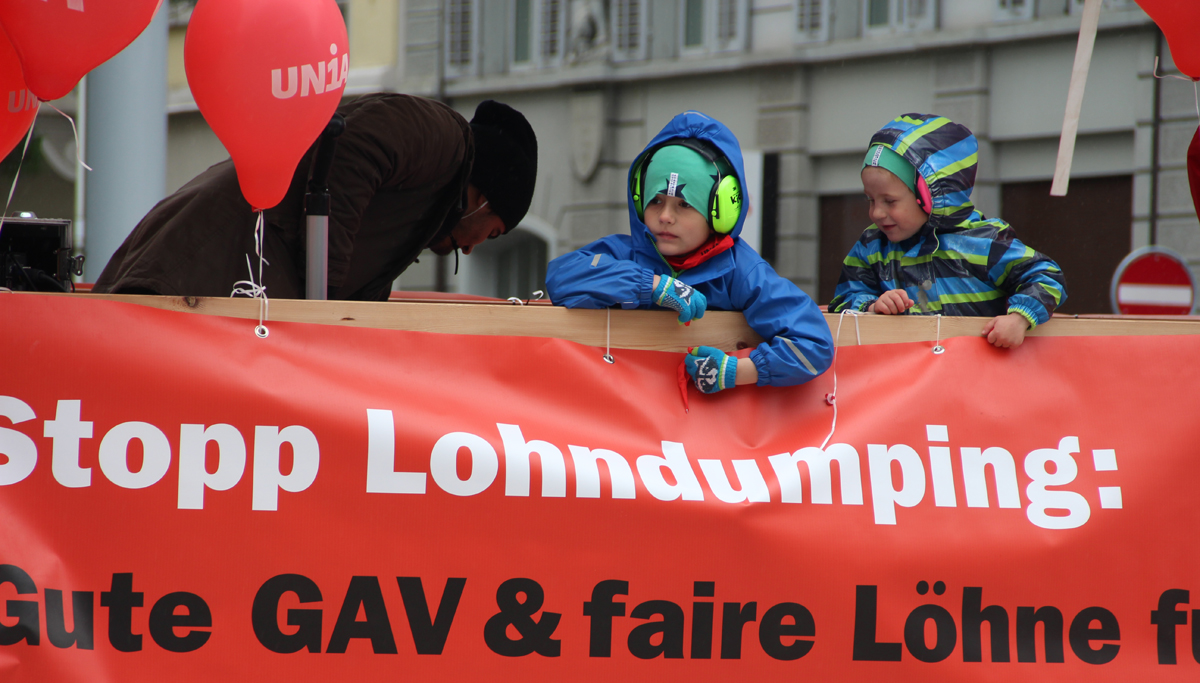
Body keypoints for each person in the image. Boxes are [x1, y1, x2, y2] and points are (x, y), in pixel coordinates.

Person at [93, 94, 537, 301]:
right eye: (492, 233)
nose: (472, 248)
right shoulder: (444, 137)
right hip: (207, 261)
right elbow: (353, 149)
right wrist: (323, 290)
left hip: (221, 270)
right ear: (482, 198)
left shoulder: (420, 205)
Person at [545, 111, 833, 393]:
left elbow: (815, 344)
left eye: (684, 204)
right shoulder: (624, 253)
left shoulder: (743, 272)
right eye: (655, 201)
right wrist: (649, 286)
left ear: (721, 210)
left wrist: (736, 372)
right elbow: (561, 277)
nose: (665, 217)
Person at [829, 113, 1066, 349]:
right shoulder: (871, 246)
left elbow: (1047, 277)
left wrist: (1020, 318)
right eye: (870, 200)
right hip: (906, 371)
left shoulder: (984, 242)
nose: (876, 213)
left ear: (930, 195)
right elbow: (842, 300)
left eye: (889, 201)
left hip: (980, 369)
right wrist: (871, 306)